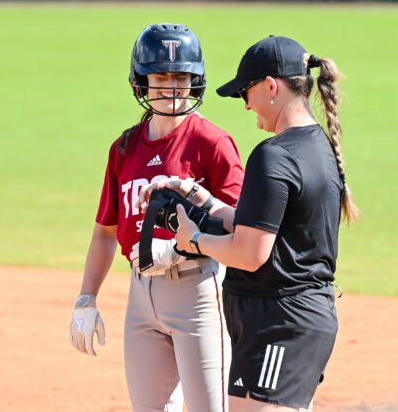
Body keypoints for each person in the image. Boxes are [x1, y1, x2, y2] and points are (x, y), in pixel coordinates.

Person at [138, 36, 360, 411]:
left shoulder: (273, 156)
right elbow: (259, 225)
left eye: (247, 91)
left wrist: (192, 241)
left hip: (280, 324)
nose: (245, 104)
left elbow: (250, 253)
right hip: (285, 321)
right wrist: (200, 196)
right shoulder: (315, 146)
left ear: (272, 86)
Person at [69, 23, 244, 412]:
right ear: (141, 83)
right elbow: (104, 232)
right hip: (140, 296)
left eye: (181, 76)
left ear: (195, 81)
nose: (171, 86)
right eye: (160, 77)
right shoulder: (125, 147)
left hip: (197, 290)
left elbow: (241, 224)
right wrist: (86, 299)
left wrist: (190, 241)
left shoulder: (212, 143)